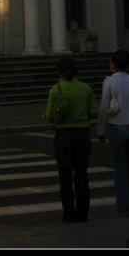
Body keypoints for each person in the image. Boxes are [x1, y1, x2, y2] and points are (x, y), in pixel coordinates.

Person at [44, 56, 97, 223]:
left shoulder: (56, 89)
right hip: (83, 134)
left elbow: (49, 116)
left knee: (65, 177)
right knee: (82, 175)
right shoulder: (85, 88)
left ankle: (68, 214)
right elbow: (92, 112)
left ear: (59, 71)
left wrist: (50, 119)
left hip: (64, 136)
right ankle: (83, 214)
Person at [97, 49, 129, 217]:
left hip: (117, 128)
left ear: (114, 64)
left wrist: (100, 130)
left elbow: (104, 107)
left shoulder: (110, 81)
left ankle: (125, 209)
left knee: (120, 169)